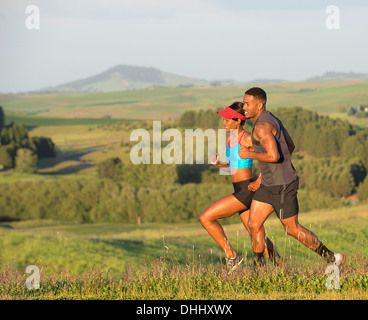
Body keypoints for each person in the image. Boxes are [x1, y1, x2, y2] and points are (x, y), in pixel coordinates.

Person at [239, 87, 345, 267]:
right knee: (254, 223)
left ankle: (333, 258)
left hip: (283, 186)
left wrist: (249, 154)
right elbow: (290, 145)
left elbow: (274, 156)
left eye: (248, 104)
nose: (244, 108)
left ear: (260, 104)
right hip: (268, 184)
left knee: (292, 229)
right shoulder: (273, 119)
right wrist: (263, 176)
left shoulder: (262, 127)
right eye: (244, 104)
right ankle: (258, 270)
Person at [199, 101, 279, 272]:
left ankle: (232, 256)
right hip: (239, 189)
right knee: (256, 234)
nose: (224, 123)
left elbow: (271, 158)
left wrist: (259, 180)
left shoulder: (248, 138)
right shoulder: (230, 140)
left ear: (238, 120)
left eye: (227, 120)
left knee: (206, 218)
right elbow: (232, 166)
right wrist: (219, 164)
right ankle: (282, 268)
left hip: (246, 190)